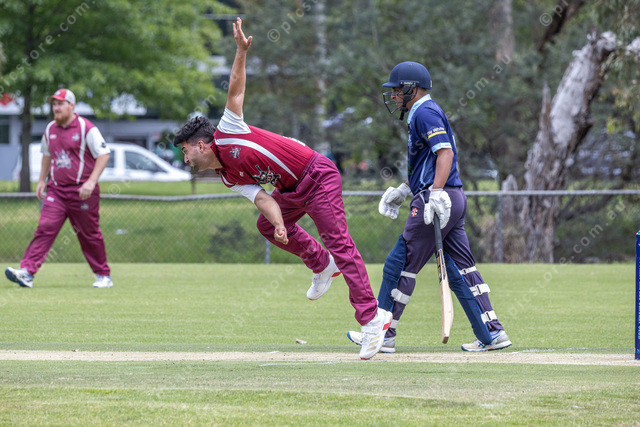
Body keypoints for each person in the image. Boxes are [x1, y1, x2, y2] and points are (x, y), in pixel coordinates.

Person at [172, 18, 391, 359]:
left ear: (201, 145)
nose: (185, 159)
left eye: (185, 151)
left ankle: (372, 319)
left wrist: (241, 51)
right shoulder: (227, 176)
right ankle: (321, 264)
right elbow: (263, 199)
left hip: (317, 176)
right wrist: (278, 224)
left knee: (340, 243)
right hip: (291, 190)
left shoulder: (228, 131)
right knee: (265, 225)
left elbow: (236, 88)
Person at [347, 61, 511, 352]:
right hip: (452, 197)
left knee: (398, 263)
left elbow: (445, 153)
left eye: (398, 89)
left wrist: (434, 193)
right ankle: (491, 333)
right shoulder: (424, 113)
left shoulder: (425, 112)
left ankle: (382, 333)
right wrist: (404, 189)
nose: (394, 95)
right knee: (462, 269)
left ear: (413, 89)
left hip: (437, 198)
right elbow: (429, 163)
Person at [5, 88, 113, 289]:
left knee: (89, 234)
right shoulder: (50, 129)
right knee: (45, 228)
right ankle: (27, 273)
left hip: (82, 192)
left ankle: (103, 275)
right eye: (54, 104)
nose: (56, 108)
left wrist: (91, 182)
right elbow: (47, 155)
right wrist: (41, 181)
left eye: (60, 104)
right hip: (56, 191)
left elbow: (104, 154)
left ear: (71, 106)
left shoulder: (86, 128)